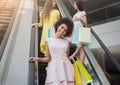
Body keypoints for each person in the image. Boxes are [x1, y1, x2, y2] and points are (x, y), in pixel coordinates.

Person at [29, 17, 78, 85]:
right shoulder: (48, 40)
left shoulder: (67, 42)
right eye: (62, 27)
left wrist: (76, 52)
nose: (62, 30)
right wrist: (36, 58)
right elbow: (48, 58)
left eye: (65, 30)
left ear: (66, 33)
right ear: (58, 25)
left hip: (65, 67)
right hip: (53, 67)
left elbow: (67, 57)